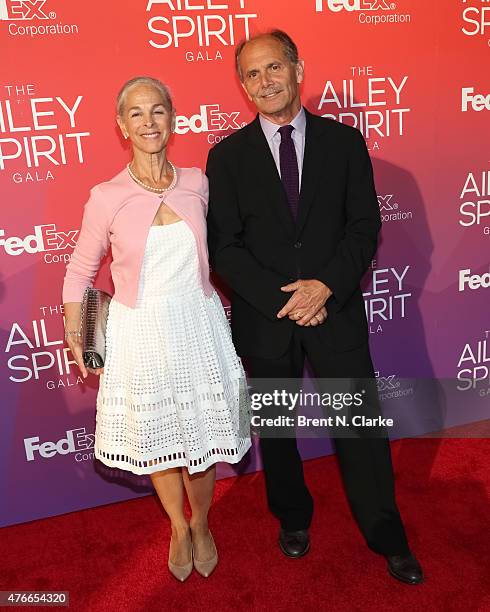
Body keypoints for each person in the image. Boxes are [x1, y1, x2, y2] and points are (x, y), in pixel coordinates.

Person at [205, 31, 424, 584]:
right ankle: (292, 518)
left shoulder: (344, 142)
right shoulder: (225, 157)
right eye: (251, 74)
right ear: (242, 85)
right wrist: (288, 300)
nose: (264, 81)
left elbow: (363, 226)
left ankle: (387, 534)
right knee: (277, 430)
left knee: (360, 430)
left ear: (298, 68)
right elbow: (224, 246)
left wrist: (324, 286)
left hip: (336, 309)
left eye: (273, 67)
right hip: (266, 318)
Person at [62, 76, 251, 582]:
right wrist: (76, 334)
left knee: (204, 439)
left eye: (158, 111)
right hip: (139, 332)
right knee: (162, 443)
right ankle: (178, 526)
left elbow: (229, 246)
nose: (149, 122)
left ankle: (204, 523)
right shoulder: (106, 195)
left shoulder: (198, 182)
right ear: (122, 126)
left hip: (198, 323)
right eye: (137, 114)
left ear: (173, 119)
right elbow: (80, 271)